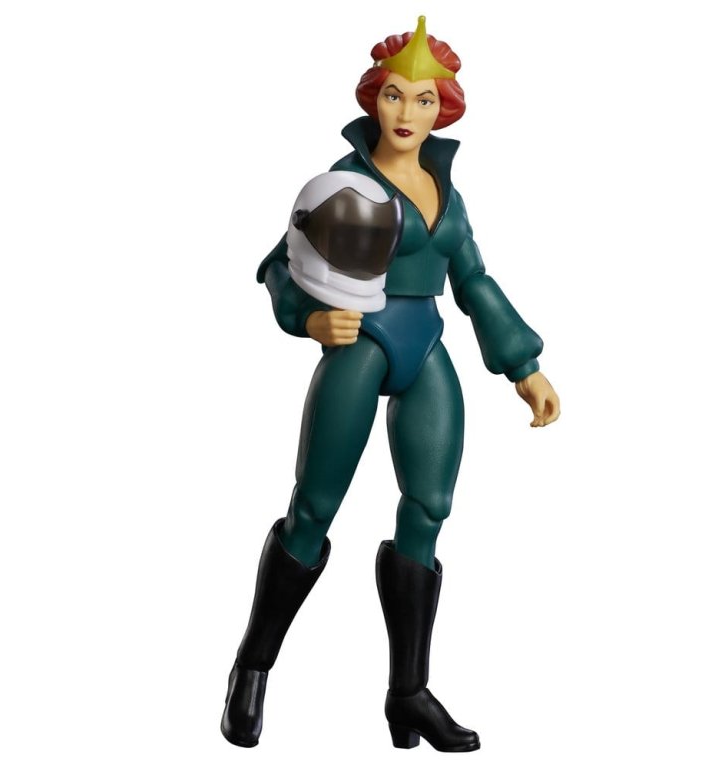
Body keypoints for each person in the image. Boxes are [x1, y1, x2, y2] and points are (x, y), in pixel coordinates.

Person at [221, 16, 560, 752]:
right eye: (395, 96)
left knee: (429, 510)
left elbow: (472, 278)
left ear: (444, 110)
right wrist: (309, 317)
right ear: (373, 99)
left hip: (424, 344)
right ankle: (252, 667)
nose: (408, 113)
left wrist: (523, 366)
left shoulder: (446, 192)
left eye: (425, 100)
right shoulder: (346, 183)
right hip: (360, 344)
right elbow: (282, 263)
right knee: (314, 508)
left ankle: (408, 693)